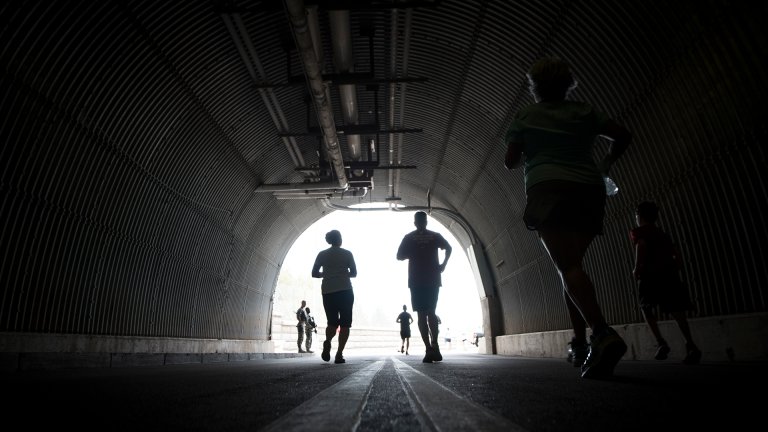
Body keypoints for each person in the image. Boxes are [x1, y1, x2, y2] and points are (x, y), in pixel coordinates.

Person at [503, 57, 632, 379]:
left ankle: (602, 333)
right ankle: (581, 342)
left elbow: (510, 161)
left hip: (549, 189)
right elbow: (623, 135)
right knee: (571, 268)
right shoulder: (586, 112)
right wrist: (607, 163)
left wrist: (532, 153)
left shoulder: (526, 116)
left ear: (534, 87)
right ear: (568, 83)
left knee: (569, 267)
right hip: (589, 190)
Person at [631, 201, 702, 364]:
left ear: (639, 216)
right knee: (677, 309)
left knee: (645, 307)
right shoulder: (662, 233)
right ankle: (691, 344)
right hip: (669, 273)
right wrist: (676, 267)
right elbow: (676, 254)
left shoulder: (639, 232)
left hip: (649, 275)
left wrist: (637, 268)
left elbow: (640, 246)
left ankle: (661, 342)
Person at [397, 211, 452, 363]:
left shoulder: (408, 238)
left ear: (415, 222)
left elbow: (399, 256)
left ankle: (428, 349)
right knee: (432, 313)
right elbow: (449, 248)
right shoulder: (435, 236)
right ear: (426, 222)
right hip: (433, 279)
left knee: (421, 315)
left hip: (416, 280)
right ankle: (435, 345)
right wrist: (443, 265)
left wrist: (413, 252)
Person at [312, 230, 357, 364]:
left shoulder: (322, 254)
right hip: (345, 291)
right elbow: (354, 273)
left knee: (331, 322)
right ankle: (339, 354)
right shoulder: (347, 253)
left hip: (328, 291)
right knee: (345, 325)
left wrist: (326, 274)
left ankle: (328, 341)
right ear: (339, 239)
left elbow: (314, 273)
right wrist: (342, 274)